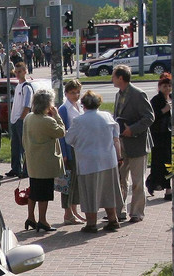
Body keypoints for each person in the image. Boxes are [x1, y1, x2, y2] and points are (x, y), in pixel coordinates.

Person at [64, 91, 124, 232]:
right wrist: (119, 156)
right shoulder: (107, 116)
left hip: (88, 162)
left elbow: (69, 139)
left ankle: (91, 223)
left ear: (83, 105)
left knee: (90, 193)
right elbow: (116, 137)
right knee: (109, 191)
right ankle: (113, 219)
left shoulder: (79, 121)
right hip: (109, 160)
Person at [111, 64, 154, 223]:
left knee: (137, 182)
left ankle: (136, 213)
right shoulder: (118, 94)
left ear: (121, 78)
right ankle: (119, 211)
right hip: (121, 144)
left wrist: (133, 129)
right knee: (120, 179)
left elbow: (149, 117)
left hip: (137, 144)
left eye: (114, 76)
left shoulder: (138, 94)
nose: (112, 79)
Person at [23, 89, 66, 232]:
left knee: (33, 191)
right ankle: (42, 220)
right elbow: (61, 132)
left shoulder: (28, 117)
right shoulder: (47, 121)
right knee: (44, 194)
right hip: (44, 163)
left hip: (32, 161)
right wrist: (57, 116)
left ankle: (31, 217)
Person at [57, 79, 84, 225]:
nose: (76, 95)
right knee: (68, 181)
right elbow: (62, 133)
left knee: (76, 181)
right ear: (66, 93)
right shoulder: (63, 108)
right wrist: (64, 154)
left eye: (78, 92)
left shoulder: (79, 105)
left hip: (79, 147)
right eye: (73, 92)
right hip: (69, 148)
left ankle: (74, 211)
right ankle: (67, 213)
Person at [148, 73, 174, 200]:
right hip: (159, 136)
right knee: (162, 162)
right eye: (164, 86)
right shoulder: (156, 100)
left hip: (172, 135)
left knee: (171, 162)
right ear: (159, 87)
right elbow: (152, 117)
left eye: (169, 86)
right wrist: (164, 110)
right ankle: (164, 187)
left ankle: (165, 187)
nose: (167, 88)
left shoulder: (173, 98)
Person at [6, 62, 34, 178]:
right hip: (14, 120)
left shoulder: (26, 87)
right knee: (15, 146)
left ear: (25, 71)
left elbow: (27, 106)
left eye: (20, 71)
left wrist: (21, 119)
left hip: (21, 120)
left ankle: (26, 170)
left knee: (24, 147)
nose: (18, 74)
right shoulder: (18, 86)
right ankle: (15, 168)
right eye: (16, 72)